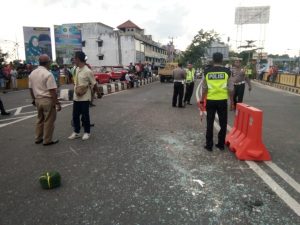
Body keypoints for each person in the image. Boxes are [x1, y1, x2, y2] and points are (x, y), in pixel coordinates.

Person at [200, 52, 234, 151]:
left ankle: (209, 145)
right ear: (222, 60)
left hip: (210, 100)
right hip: (222, 100)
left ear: (213, 60)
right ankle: (220, 144)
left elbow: (204, 88)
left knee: (210, 123)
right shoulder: (227, 72)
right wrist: (232, 102)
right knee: (223, 123)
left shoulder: (207, 72)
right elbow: (231, 89)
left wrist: (202, 100)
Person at [28, 54, 61, 145]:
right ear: (48, 63)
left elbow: (30, 88)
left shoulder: (32, 73)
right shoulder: (48, 74)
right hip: (47, 100)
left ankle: (38, 138)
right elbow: (52, 91)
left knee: (40, 119)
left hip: (38, 100)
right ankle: (47, 140)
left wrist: (34, 99)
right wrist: (57, 103)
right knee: (49, 121)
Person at [68, 51, 100, 141]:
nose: (74, 60)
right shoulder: (76, 69)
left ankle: (87, 132)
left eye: (74, 58)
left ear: (78, 59)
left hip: (85, 97)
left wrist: (98, 93)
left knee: (85, 116)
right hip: (76, 96)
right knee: (75, 115)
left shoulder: (88, 71)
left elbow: (94, 83)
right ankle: (76, 132)